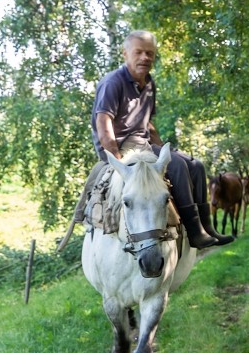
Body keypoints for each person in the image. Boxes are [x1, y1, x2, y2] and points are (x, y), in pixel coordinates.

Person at [88, 30, 235, 249]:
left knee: (196, 165)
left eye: (150, 53)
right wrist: (116, 160)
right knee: (176, 166)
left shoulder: (148, 84)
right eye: (139, 52)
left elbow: (147, 123)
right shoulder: (113, 83)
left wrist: (164, 147)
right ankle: (195, 234)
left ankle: (206, 226)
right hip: (120, 145)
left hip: (142, 142)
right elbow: (103, 123)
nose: (145, 58)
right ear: (125, 54)